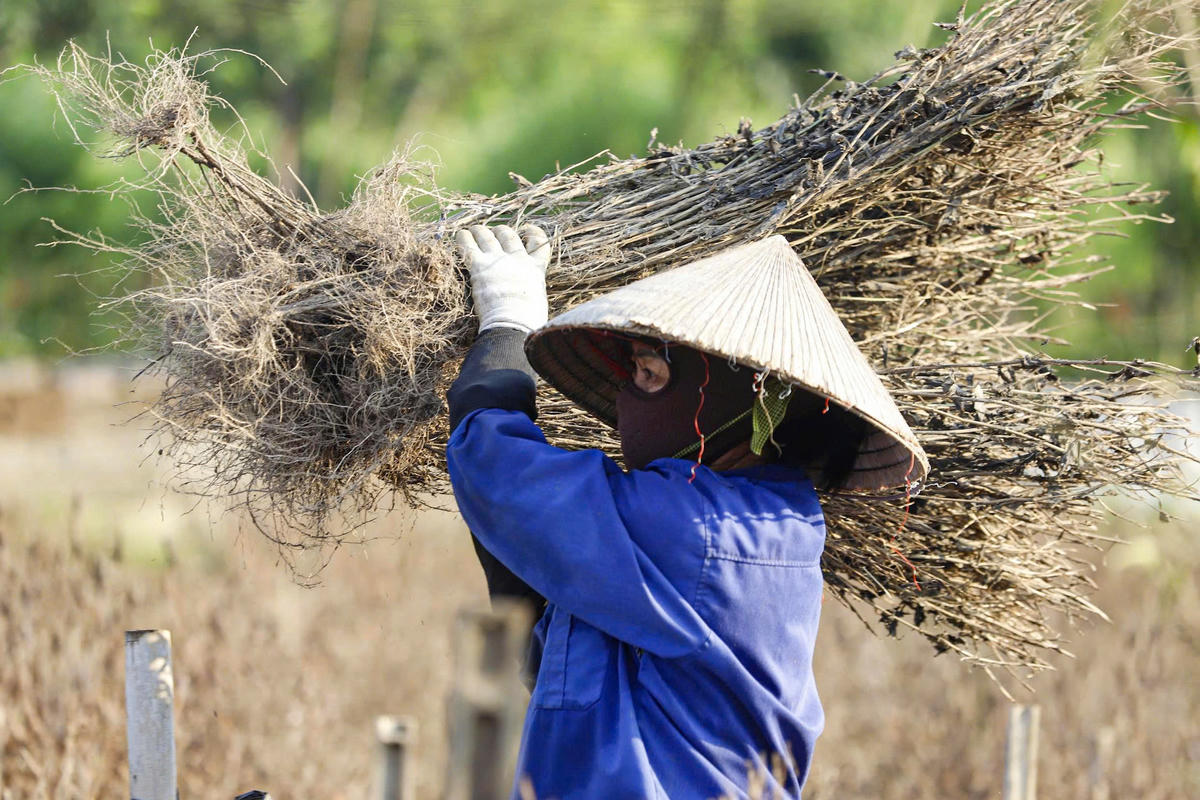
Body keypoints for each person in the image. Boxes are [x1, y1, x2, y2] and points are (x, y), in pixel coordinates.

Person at [447, 224, 928, 799]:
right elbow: (559, 645)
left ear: (729, 405)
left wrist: (506, 327)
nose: (629, 397)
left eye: (649, 374)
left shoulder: (693, 530)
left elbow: (496, 471)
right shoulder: (775, 519)